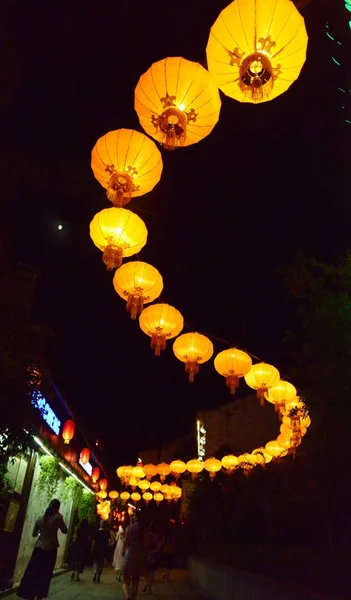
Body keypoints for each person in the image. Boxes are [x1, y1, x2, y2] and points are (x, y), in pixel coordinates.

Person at [17, 498, 67, 600]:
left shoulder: (40, 519)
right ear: (57, 508)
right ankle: (40, 596)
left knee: (34, 572)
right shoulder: (58, 518)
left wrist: (42, 533)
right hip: (50, 550)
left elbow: (34, 534)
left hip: (38, 549)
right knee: (45, 574)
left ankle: (30, 594)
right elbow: (65, 531)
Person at [121, 511, 146, 600]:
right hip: (140, 555)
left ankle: (128, 596)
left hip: (130, 553)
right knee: (135, 580)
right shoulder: (144, 530)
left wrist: (123, 551)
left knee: (125, 578)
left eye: (134, 515)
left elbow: (126, 541)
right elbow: (146, 543)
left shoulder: (129, 528)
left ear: (136, 517)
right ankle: (133, 598)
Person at [143, 522, 162, 594]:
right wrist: (155, 551)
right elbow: (159, 546)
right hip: (153, 555)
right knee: (151, 572)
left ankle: (145, 582)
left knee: (145, 570)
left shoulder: (147, 536)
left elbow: (144, 545)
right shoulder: (157, 537)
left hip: (146, 554)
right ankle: (149, 587)